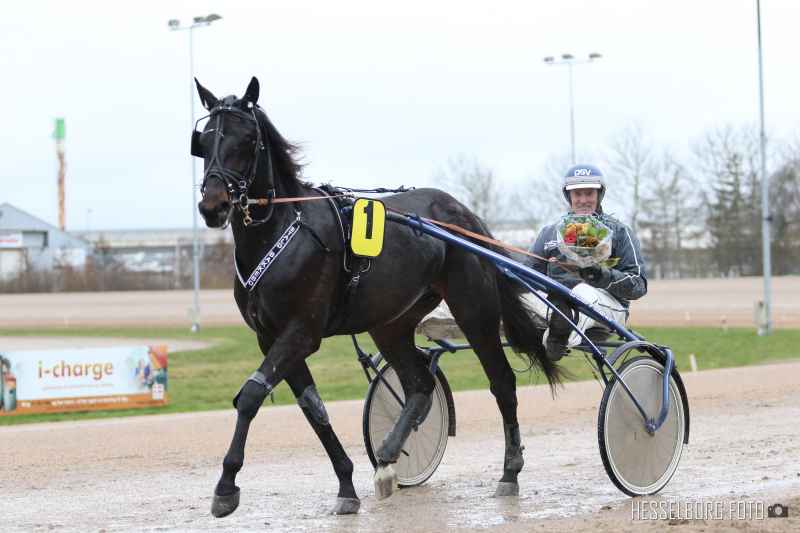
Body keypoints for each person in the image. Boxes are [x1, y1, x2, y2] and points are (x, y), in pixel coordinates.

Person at [524, 163, 647, 361]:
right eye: (577, 194)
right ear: (568, 196)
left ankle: (558, 336)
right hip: (555, 305)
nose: (583, 200)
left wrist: (603, 277)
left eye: (589, 193)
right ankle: (554, 320)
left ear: (599, 195)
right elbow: (526, 277)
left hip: (606, 307)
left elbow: (639, 285)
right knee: (518, 296)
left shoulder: (619, 232)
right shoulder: (549, 233)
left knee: (581, 293)